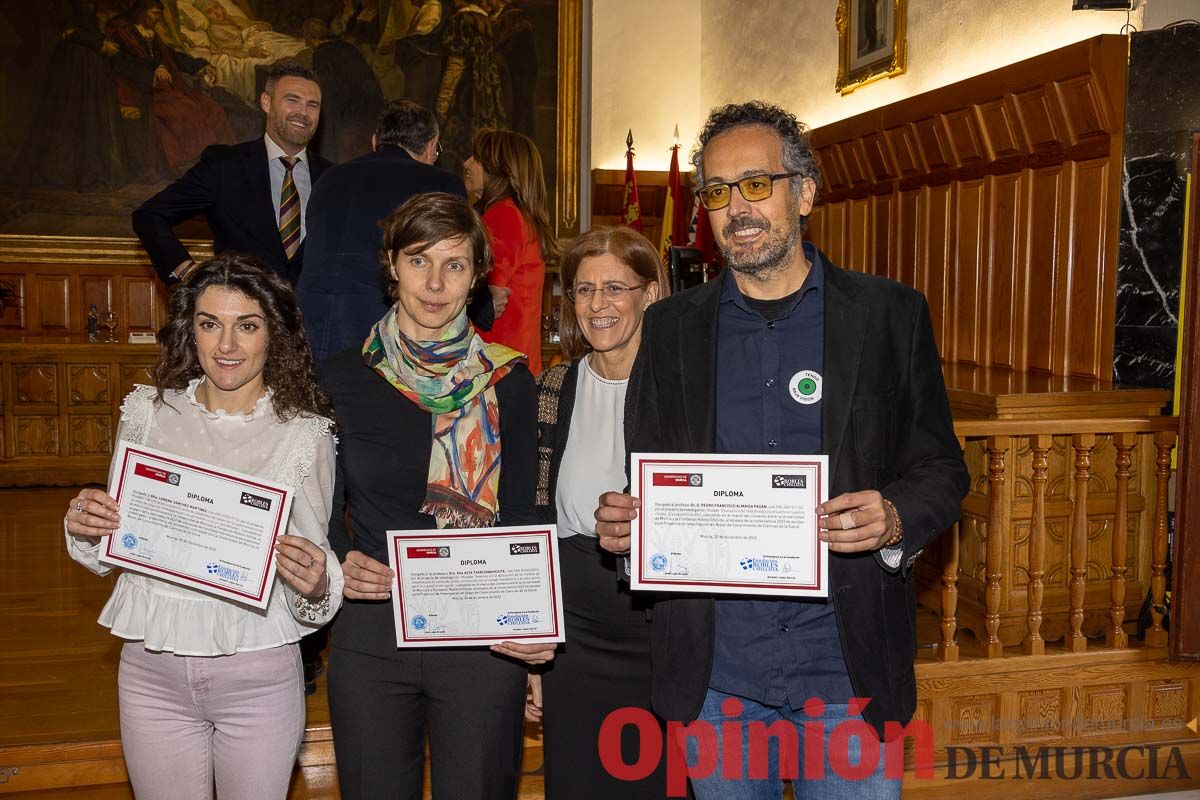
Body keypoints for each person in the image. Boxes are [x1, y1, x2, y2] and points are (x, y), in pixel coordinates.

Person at [594, 101, 970, 798]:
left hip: (844, 665)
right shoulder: (670, 330)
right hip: (718, 672)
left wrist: (892, 516)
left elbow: (942, 468)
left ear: (804, 192)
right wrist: (629, 529)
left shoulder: (889, 316)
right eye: (716, 190)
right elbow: (648, 475)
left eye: (756, 184)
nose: (735, 207)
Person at [62, 253, 343, 800]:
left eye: (247, 325)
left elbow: (315, 559)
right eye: (210, 324)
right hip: (151, 673)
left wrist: (316, 581)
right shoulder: (147, 413)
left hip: (257, 675)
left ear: (274, 334)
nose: (227, 346)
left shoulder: (305, 437)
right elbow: (118, 540)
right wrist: (88, 527)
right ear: (191, 331)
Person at [320, 192, 553, 799]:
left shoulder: (511, 378)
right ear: (391, 264)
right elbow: (316, 503)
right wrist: (340, 557)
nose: (434, 281)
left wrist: (535, 632)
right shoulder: (342, 378)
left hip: (481, 632)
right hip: (372, 629)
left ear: (476, 275)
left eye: (454, 264)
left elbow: (526, 514)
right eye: (419, 259)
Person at [532, 226, 668, 798]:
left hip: (661, 623)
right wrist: (535, 644)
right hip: (575, 629)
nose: (597, 305)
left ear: (651, 294)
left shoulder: (683, 389)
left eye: (615, 287)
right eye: (583, 290)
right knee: (576, 779)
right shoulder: (554, 387)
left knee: (661, 781)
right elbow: (534, 520)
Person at [297, 100, 466, 362]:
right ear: (432, 145)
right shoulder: (442, 184)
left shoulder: (328, 179)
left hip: (307, 325)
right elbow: (453, 258)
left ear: (375, 141)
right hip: (381, 338)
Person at [132, 62, 330, 286]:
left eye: (312, 105)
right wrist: (186, 270)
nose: (303, 113)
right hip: (241, 313)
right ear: (266, 102)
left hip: (316, 318)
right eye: (292, 100)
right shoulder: (224, 166)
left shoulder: (334, 178)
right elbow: (148, 216)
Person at [464, 127, 556, 374]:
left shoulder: (504, 214)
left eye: (476, 159)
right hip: (511, 363)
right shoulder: (515, 213)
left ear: (497, 169)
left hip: (497, 365)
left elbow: (487, 290)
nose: (467, 163)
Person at [107, 0, 235, 176]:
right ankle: (194, 161)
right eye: (155, 13)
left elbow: (173, 56)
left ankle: (227, 157)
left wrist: (201, 65)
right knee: (184, 109)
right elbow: (121, 63)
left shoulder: (152, 34)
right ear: (142, 12)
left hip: (164, 89)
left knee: (211, 107)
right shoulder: (122, 32)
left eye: (159, 14)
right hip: (137, 89)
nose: (158, 18)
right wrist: (152, 69)